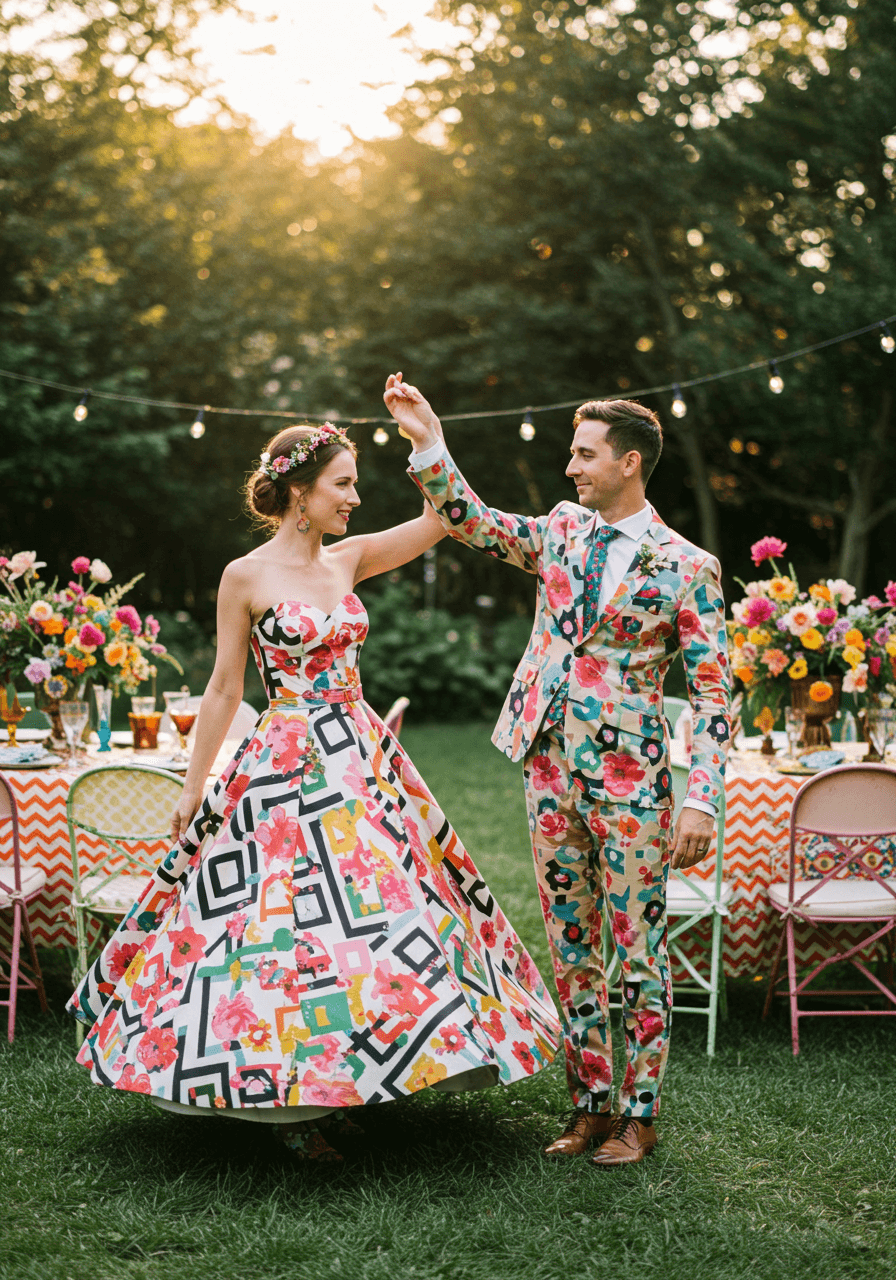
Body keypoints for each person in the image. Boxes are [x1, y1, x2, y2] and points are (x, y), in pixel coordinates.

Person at [68, 421, 560, 1162]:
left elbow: (444, 519)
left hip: (359, 760)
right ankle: (287, 1108)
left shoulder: (349, 558)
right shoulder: (244, 576)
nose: (355, 498)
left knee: (373, 920)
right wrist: (195, 786)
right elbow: (225, 687)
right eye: (343, 484)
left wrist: (428, 440)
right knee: (275, 928)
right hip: (281, 765)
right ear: (300, 491)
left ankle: (347, 1079)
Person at [383, 376, 730, 1167]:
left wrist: (702, 801)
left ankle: (640, 1115)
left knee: (636, 951)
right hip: (547, 768)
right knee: (571, 946)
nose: (571, 467)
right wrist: (428, 438)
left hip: (633, 781)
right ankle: (590, 1106)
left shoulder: (689, 566)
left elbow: (714, 696)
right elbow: (472, 520)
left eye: (585, 455)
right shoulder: (561, 530)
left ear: (629, 462)